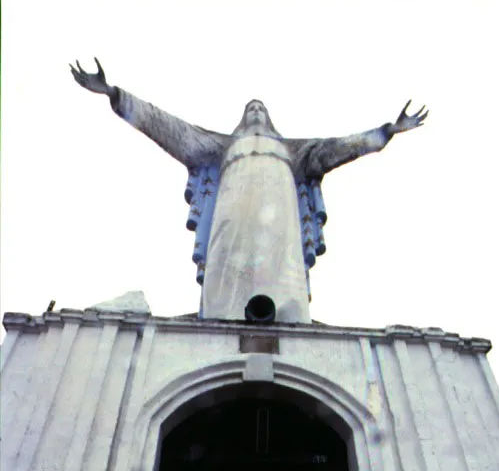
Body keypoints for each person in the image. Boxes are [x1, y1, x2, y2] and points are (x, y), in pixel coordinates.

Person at [70, 59, 427, 323]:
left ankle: (287, 316)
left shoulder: (295, 151)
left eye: (260, 108)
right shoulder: (219, 146)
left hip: (280, 217)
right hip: (233, 210)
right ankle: (222, 317)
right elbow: (167, 127)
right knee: (230, 260)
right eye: (250, 109)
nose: (255, 111)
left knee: (281, 263)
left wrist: (387, 131)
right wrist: (115, 94)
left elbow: (338, 147)